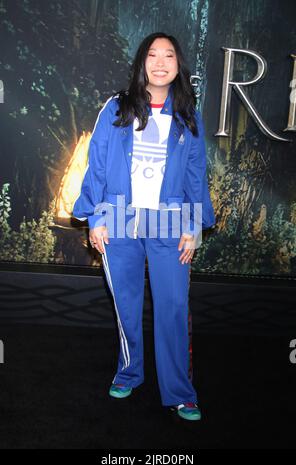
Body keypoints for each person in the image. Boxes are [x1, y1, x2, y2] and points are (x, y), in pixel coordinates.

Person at [72, 32, 215, 421]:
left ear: (178, 65)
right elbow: (97, 162)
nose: (161, 61)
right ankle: (129, 372)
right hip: (118, 219)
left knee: (173, 307)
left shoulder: (188, 114)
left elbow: (195, 174)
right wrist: (96, 219)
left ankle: (180, 392)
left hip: (171, 224)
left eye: (169, 55)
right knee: (127, 306)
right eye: (153, 54)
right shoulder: (116, 108)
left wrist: (194, 226)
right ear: (142, 63)